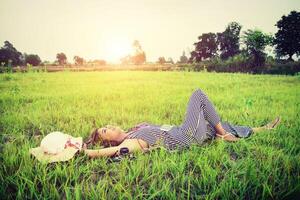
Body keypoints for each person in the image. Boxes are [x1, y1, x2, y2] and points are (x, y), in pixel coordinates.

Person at [84, 89, 280, 158]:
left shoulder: (134, 129)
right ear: (109, 142)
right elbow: (112, 152)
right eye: (105, 131)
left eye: (106, 125)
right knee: (198, 95)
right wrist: (86, 152)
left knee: (214, 122)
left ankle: (261, 129)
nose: (109, 126)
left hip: (182, 131)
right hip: (186, 137)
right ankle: (224, 135)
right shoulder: (130, 142)